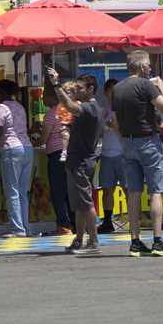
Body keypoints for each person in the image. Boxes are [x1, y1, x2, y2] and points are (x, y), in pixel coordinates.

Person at [112, 50, 163, 256]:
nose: (149, 68)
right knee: (156, 190)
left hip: (127, 142)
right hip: (148, 140)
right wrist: (162, 88)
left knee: (134, 192)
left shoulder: (118, 88)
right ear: (140, 66)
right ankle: (157, 241)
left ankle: (135, 240)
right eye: (147, 65)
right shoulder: (146, 85)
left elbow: (115, 122)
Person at [47, 68, 101, 255]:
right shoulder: (91, 109)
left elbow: (69, 106)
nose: (77, 91)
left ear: (91, 89)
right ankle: (79, 239)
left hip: (82, 161)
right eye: (76, 87)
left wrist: (56, 84)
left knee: (86, 203)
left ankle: (93, 240)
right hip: (78, 160)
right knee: (80, 204)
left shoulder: (90, 108)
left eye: (80, 88)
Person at [0, 79, 33, 238]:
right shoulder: (20, 107)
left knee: (12, 191)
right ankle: (25, 227)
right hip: (27, 148)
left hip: (11, 149)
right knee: (23, 192)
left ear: (2, 92)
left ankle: (18, 229)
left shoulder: (2, 107)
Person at [41, 84, 73, 235]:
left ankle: (63, 225)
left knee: (58, 192)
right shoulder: (68, 110)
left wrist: (36, 140)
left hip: (56, 155)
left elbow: (43, 138)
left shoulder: (50, 114)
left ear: (52, 97)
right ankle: (73, 222)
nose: (42, 98)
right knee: (69, 190)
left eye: (45, 95)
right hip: (70, 153)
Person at [96, 78, 124, 235]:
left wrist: (117, 126)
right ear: (105, 93)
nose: (113, 94)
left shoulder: (124, 109)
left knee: (128, 189)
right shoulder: (104, 110)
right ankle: (107, 221)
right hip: (106, 154)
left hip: (122, 154)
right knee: (107, 190)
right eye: (110, 91)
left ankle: (135, 219)